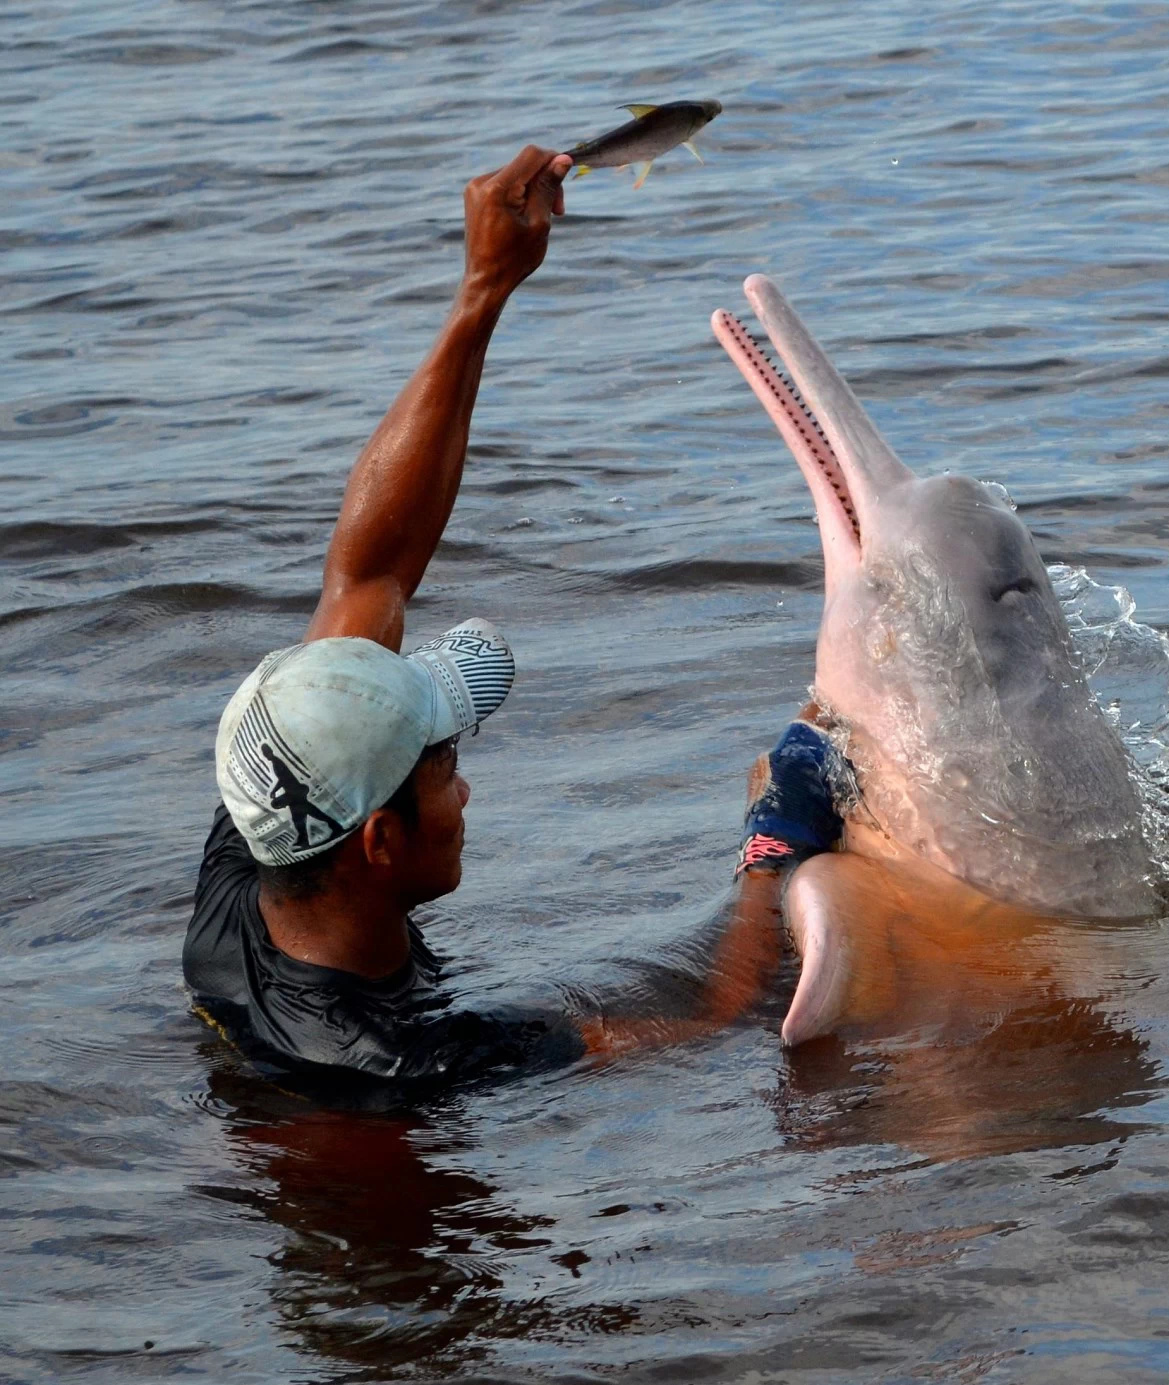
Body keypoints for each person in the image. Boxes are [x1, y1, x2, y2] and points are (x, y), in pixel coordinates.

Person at [184, 143, 843, 1097]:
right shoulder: (407, 1059)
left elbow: (368, 571)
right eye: (445, 765)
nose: (467, 793)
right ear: (376, 842)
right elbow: (718, 1020)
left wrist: (484, 289)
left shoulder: (268, 820)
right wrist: (771, 839)